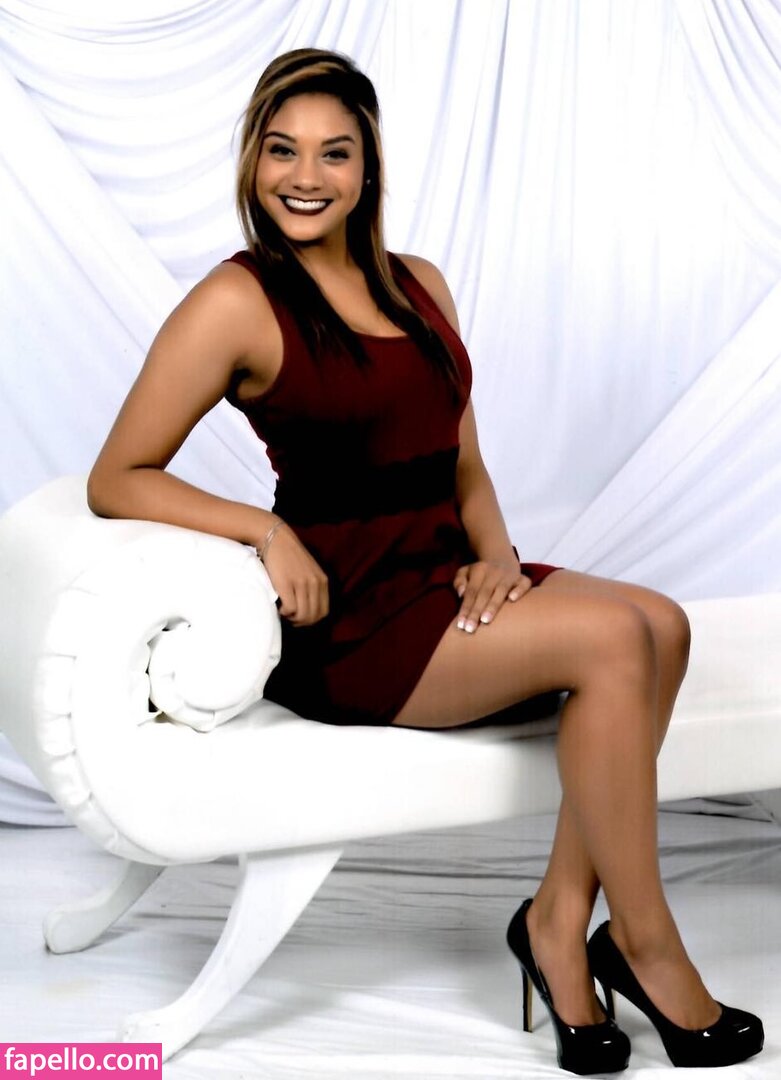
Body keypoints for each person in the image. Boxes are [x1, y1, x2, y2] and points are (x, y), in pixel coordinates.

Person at [87, 48, 763, 1074]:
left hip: (441, 580)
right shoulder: (235, 301)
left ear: (367, 169)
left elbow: (462, 461)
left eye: (333, 152)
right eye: (281, 150)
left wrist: (496, 557)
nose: (304, 176)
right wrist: (266, 531)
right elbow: (119, 475)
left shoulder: (419, 284)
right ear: (252, 161)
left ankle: (556, 924)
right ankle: (644, 944)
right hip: (353, 619)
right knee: (618, 640)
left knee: (661, 624)